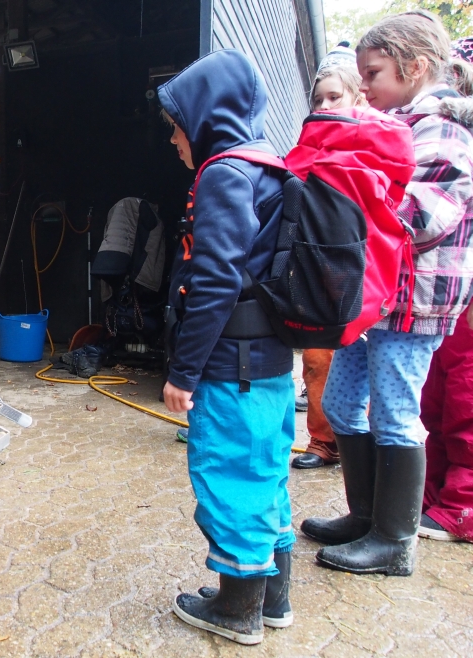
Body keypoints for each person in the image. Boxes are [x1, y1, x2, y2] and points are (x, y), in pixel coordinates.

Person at [302, 11, 473, 575]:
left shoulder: (444, 129)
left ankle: (395, 542)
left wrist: (354, 192)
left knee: (397, 412)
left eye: (372, 74)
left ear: (415, 66)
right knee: (346, 404)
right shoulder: (398, 124)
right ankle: (365, 516)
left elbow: (428, 216)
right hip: (376, 297)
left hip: (415, 300)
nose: (366, 87)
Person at [159, 49, 294, 646]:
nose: (173, 140)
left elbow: (214, 281)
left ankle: (238, 608)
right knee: (265, 474)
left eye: (176, 125)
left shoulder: (223, 175)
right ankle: (275, 599)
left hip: (229, 368)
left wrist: (183, 374)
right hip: (268, 366)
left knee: (231, 476)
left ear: (206, 117)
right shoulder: (271, 165)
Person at [293, 43, 368, 470]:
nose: (324, 105)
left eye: (334, 97)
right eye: (318, 99)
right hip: (323, 269)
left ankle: (360, 447)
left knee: (368, 370)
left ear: (357, 98)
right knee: (317, 359)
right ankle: (323, 442)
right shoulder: (310, 147)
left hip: (368, 272)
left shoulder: (377, 143)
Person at [418, 37, 473, 544]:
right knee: (435, 396)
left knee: (465, 397)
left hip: (458, 285)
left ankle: (463, 505)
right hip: (448, 291)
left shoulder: (452, 135)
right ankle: (434, 495)